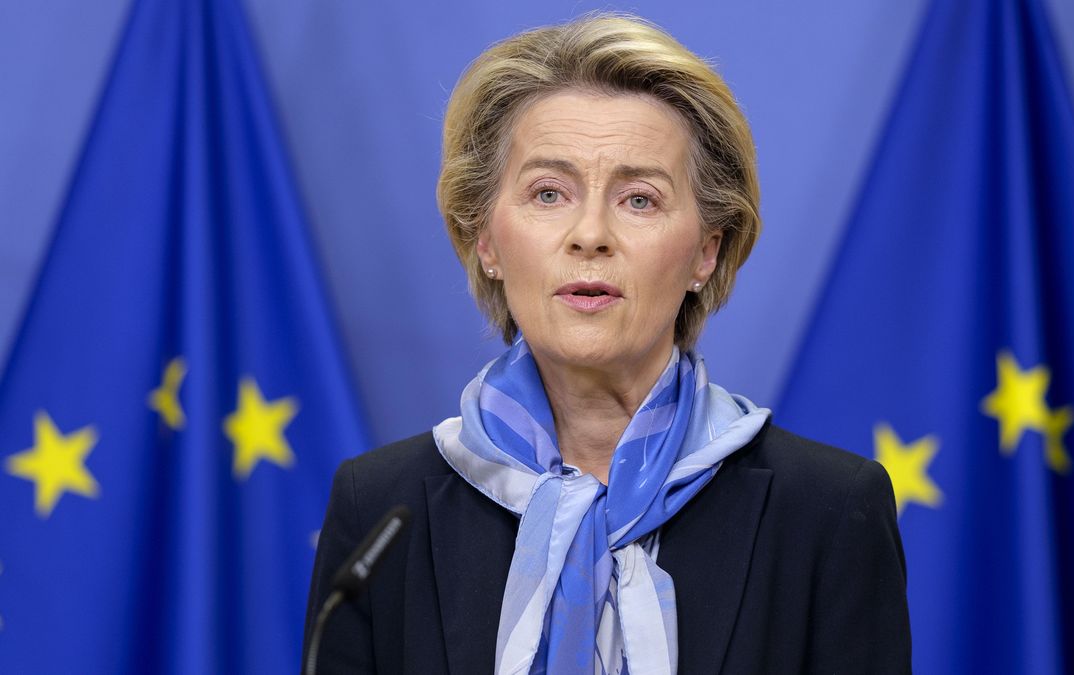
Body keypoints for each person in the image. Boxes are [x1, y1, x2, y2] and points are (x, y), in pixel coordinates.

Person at [305, 13, 911, 674]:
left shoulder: (827, 512)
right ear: (487, 241)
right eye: (548, 193)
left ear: (705, 252)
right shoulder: (379, 511)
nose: (590, 234)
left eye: (639, 200)